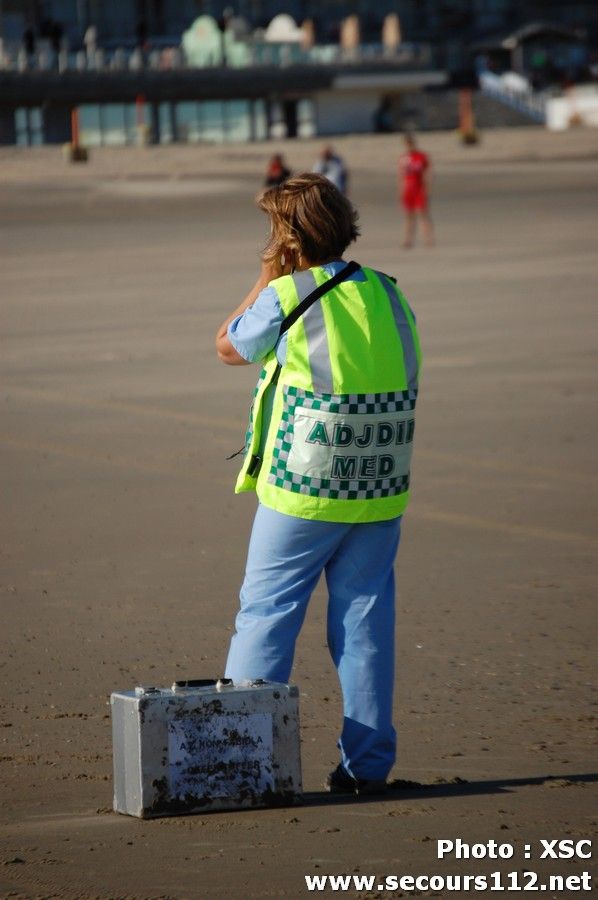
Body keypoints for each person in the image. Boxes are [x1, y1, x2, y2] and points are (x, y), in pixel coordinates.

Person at [215, 173, 421, 795]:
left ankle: (241, 764)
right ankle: (367, 768)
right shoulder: (388, 292)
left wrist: (269, 276)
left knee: (267, 615)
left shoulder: (288, 294)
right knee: (364, 621)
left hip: (306, 488)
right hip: (380, 483)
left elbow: (228, 346)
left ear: (288, 237)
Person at [399, 134, 434, 248]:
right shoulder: (403, 158)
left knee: (423, 214)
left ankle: (428, 239)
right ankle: (408, 240)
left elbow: (428, 173)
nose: (409, 146)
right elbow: (400, 176)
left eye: (410, 144)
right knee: (409, 215)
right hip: (408, 190)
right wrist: (401, 190)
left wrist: (427, 188)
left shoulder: (421, 156)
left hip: (419, 189)